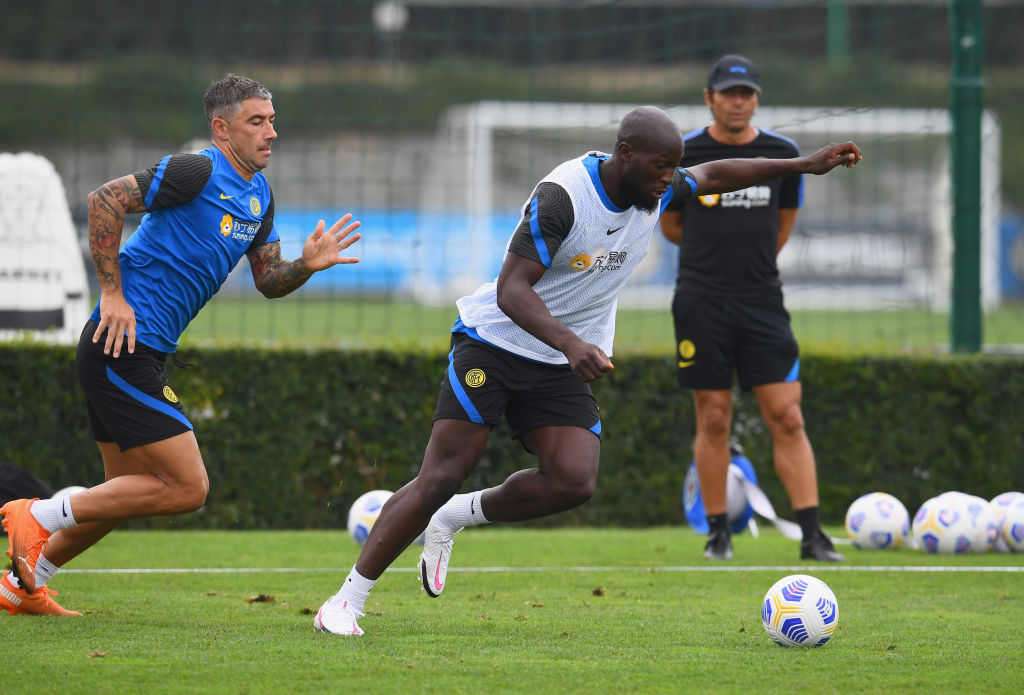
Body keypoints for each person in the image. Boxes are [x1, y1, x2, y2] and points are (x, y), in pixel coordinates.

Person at [313, 104, 861, 635]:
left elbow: (714, 174)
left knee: (572, 481)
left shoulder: (656, 187)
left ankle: (455, 516)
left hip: (557, 359)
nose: (669, 180)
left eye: (674, 168)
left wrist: (804, 165)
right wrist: (573, 343)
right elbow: (511, 290)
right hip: (494, 345)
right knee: (441, 475)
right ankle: (345, 602)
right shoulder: (564, 196)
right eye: (660, 167)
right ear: (625, 154)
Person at [0, 74, 362, 616]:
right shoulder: (196, 170)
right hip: (120, 344)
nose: (271, 133)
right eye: (257, 122)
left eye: (272, 121)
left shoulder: (260, 195)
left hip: (141, 351)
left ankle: (19, 588)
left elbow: (267, 279)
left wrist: (306, 266)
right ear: (222, 129)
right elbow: (105, 200)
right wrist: (112, 293)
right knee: (188, 488)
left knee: (123, 493)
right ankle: (37, 514)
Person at [659, 55, 844, 562]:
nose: (738, 102)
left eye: (746, 93)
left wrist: (749, 267)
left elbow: (782, 227)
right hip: (700, 300)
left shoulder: (783, 153)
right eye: (728, 93)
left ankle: (813, 536)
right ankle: (718, 534)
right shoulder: (685, 153)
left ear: (757, 99)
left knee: (787, 416)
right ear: (710, 98)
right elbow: (671, 227)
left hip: (763, 302)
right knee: (714, 417)